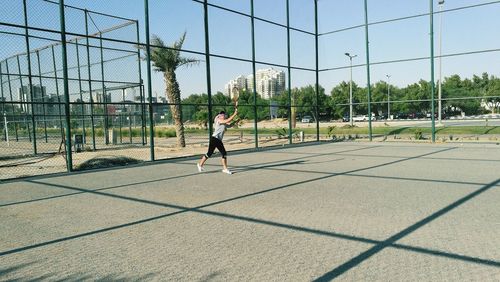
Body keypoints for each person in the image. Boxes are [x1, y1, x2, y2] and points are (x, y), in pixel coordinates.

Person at [197, 104, 238, 174]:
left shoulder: (223, 122)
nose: (223, 116)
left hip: (216, 140)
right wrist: (235, 114)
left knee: (209, 153)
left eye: (224, 115)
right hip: (215, 139)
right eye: (222, 115)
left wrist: (236, 121)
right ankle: (225, 169)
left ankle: (200, 164)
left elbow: (229, 125)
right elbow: (228, 120)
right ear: (219, 115)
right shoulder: (218, 120)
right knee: (223, 153)